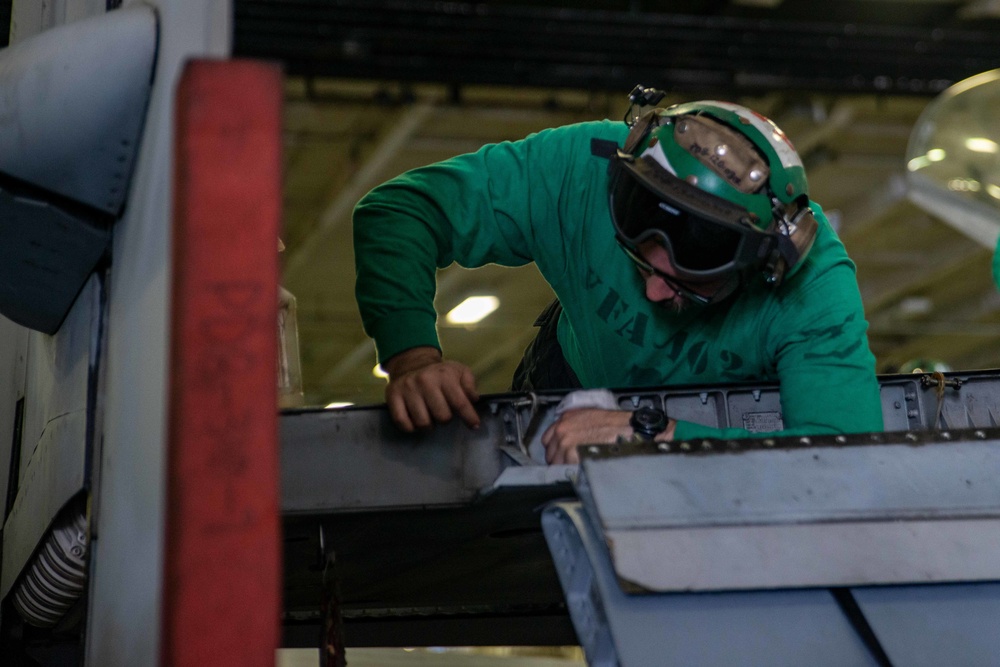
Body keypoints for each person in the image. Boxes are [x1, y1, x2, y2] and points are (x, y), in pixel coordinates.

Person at [352, 87, 884, 464]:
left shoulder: (811, 282)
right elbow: (401, 211)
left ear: (762, 266)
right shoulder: (581, 169)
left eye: (685, 284)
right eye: (638, 260)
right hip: (568, 381)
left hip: (719, 437)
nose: (654, 291)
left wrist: (653, 438)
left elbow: (844, 456)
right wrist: (412, 358)